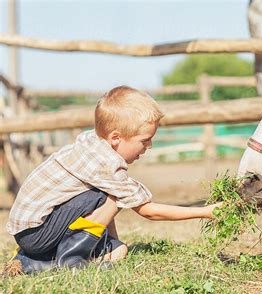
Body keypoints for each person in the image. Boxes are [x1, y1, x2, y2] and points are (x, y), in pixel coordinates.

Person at [4, 85, 220, 275]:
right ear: (115, 138)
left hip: (31, 231)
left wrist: (111, 243)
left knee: (118, 251)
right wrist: (205, 211)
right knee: (107, 197)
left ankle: (31, 261)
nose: (149, 147)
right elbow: (148, 211)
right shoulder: (105, 165)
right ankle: (69, 262)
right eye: (145, 141)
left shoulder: (93, 143)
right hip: (37, 234)